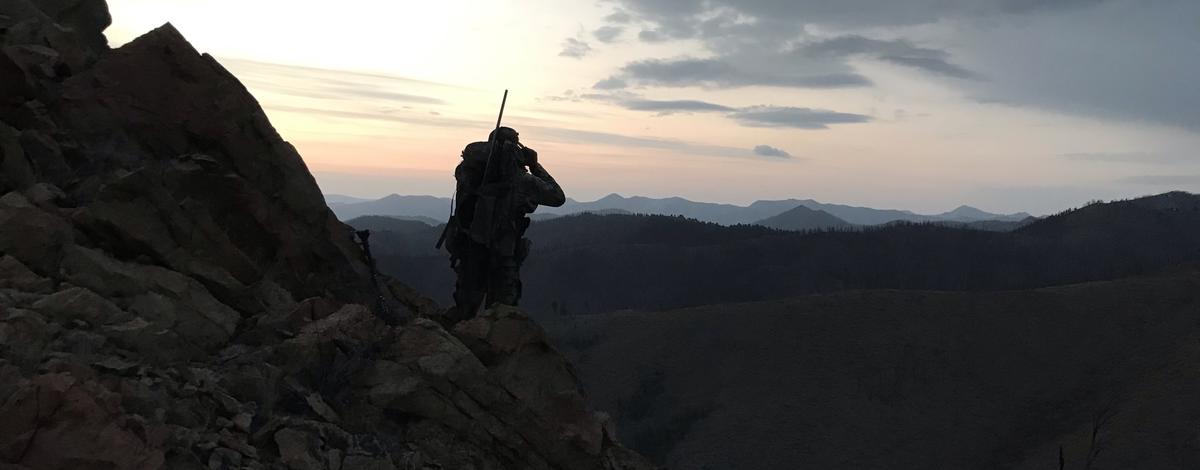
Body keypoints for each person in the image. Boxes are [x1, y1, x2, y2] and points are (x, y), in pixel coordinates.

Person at [441, 126, 564, 323]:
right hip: (503, 254)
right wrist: (534, 165)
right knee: (501, 315)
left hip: (470, 248)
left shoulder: (467, 172)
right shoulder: (521, 180)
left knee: (464, 309)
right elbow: (557, 197)